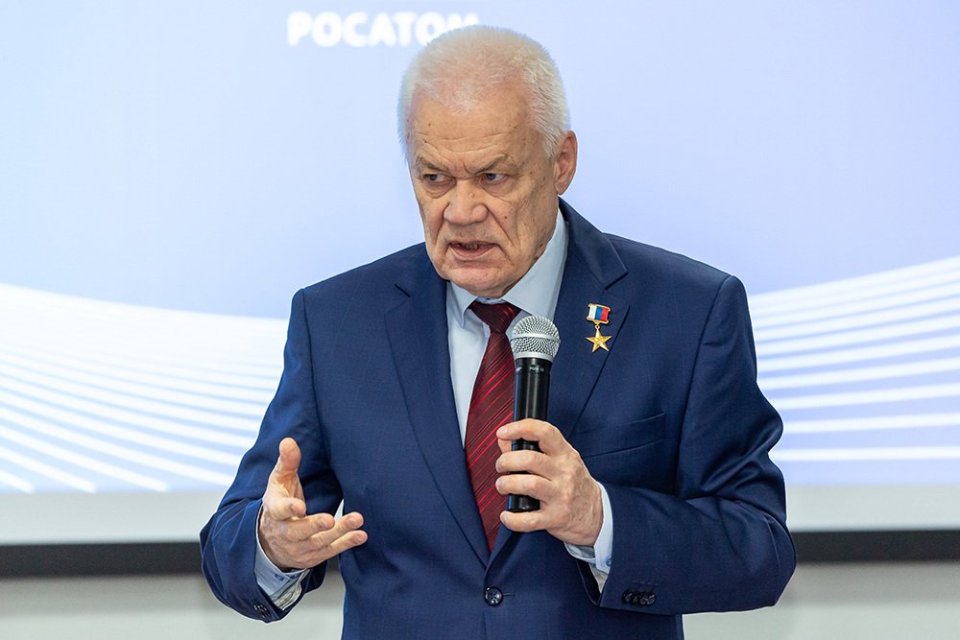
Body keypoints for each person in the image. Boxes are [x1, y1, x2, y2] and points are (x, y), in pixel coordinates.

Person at [200, 25, 795, 639]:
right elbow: (229, 545)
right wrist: (271, 545)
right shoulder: (338, 322)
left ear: (561, 163)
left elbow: (759, 549)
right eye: (434, 178)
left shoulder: (687, 312)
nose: (461, 212)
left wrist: (601, 519)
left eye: (492, 177)